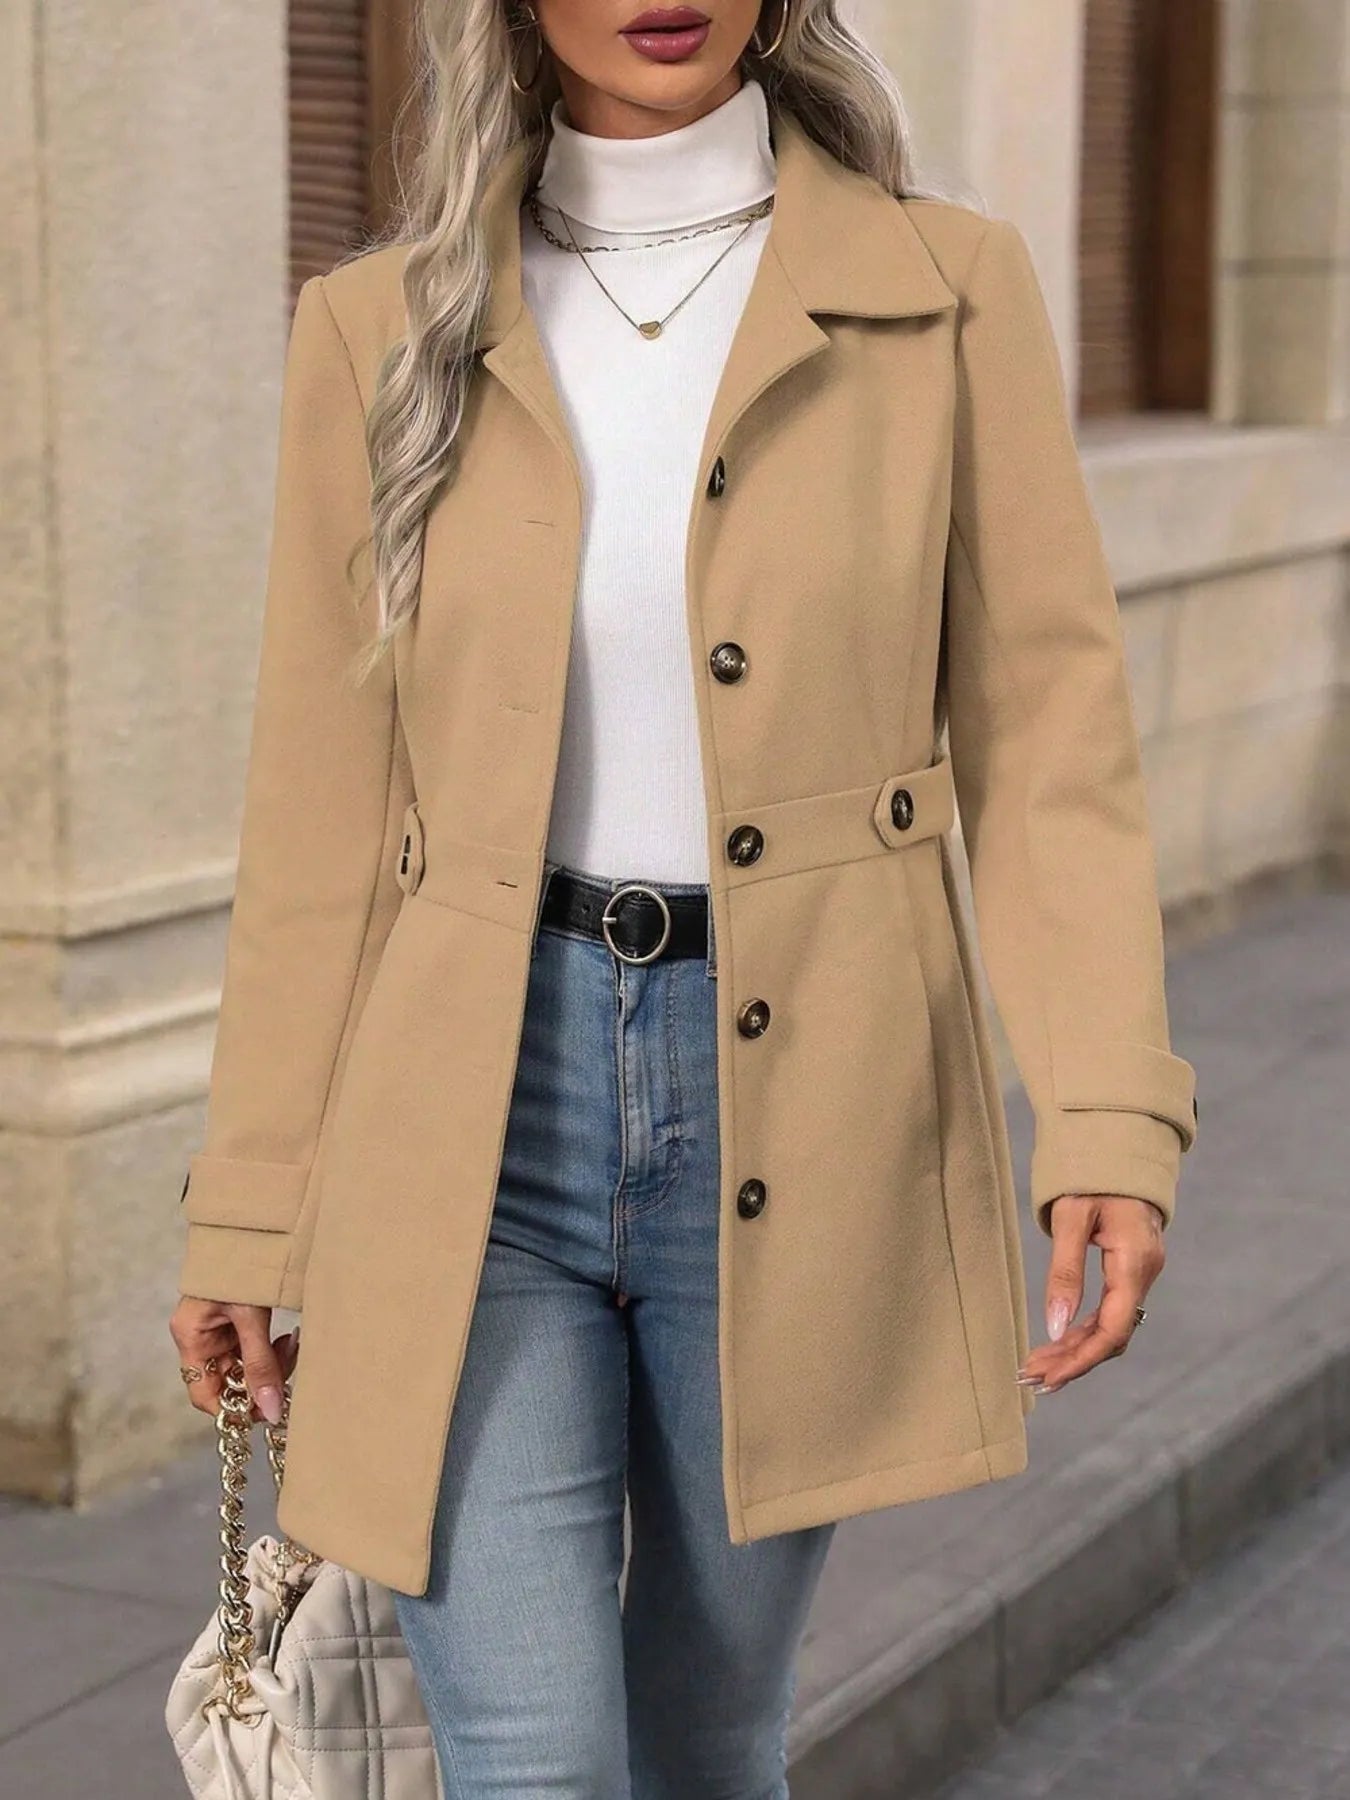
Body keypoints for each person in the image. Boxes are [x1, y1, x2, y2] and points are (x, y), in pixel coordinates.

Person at [170, 1, 1199, 1793]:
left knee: (711, 1742)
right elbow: (321, 814)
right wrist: (249, 1210)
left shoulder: (946, 291)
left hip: (811, 1092)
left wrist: (1107, 1114)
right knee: (537, 1759)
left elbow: (1046, 742)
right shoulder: (379, 326)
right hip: (472, 1118)